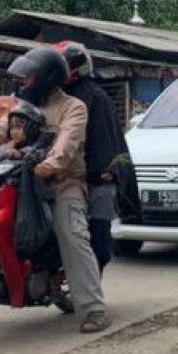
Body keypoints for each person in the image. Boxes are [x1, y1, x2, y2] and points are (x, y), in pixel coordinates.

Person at [0, 46, 110, 333]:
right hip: (18, 179)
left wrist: (51, 164)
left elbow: (67, 142)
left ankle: (93, 308)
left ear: (47, 77)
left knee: (71, 233)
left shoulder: (73, 107)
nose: (21, 82)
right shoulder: (20, 105)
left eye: (27, 77)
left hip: (61, 183)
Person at [55, 41, 141, 271]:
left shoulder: (96, 96)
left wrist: (103, 170)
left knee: (99, 240)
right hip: (61, 173)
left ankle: (93, 284)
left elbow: (105, 138)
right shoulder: (54, 97)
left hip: (96, 176)